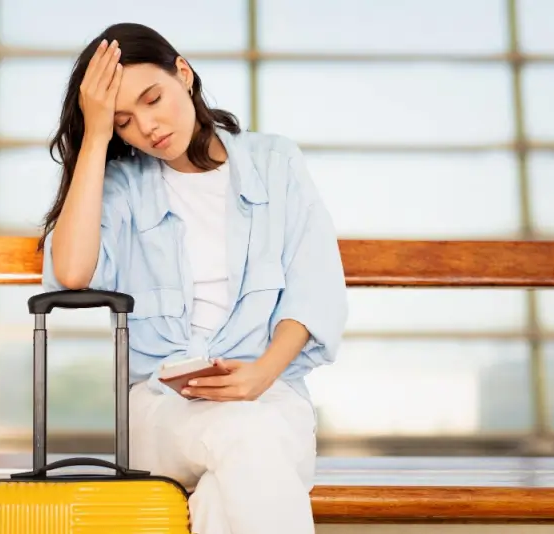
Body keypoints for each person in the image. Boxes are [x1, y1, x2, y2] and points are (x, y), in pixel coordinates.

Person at [38, 22, 348, 534]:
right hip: (162, 408)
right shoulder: (119, 184)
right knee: (251, 441)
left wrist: (262, 373)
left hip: (271, 394)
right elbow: (71, 273)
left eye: (153, 98)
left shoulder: (275, 162)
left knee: (232, 482)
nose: (148, 127)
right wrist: (94, 138)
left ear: (183, 72)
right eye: (123, 121)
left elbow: (313, 284)